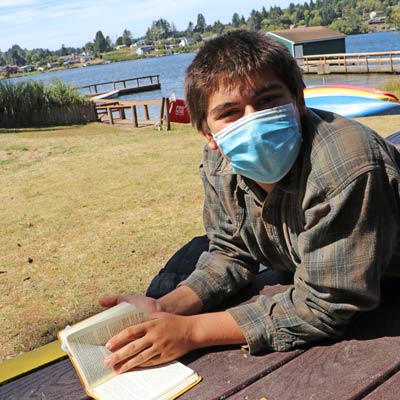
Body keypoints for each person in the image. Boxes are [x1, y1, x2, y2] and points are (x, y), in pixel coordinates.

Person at [100, 30, 400, 374]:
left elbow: (326, 304)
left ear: (298, 103)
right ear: (208, 134)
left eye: (269, 100)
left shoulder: (345, 163)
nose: (253, 119)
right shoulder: (219, 164)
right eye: (230, 112)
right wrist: (163, 309)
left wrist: (191, 331)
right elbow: (230, 250)